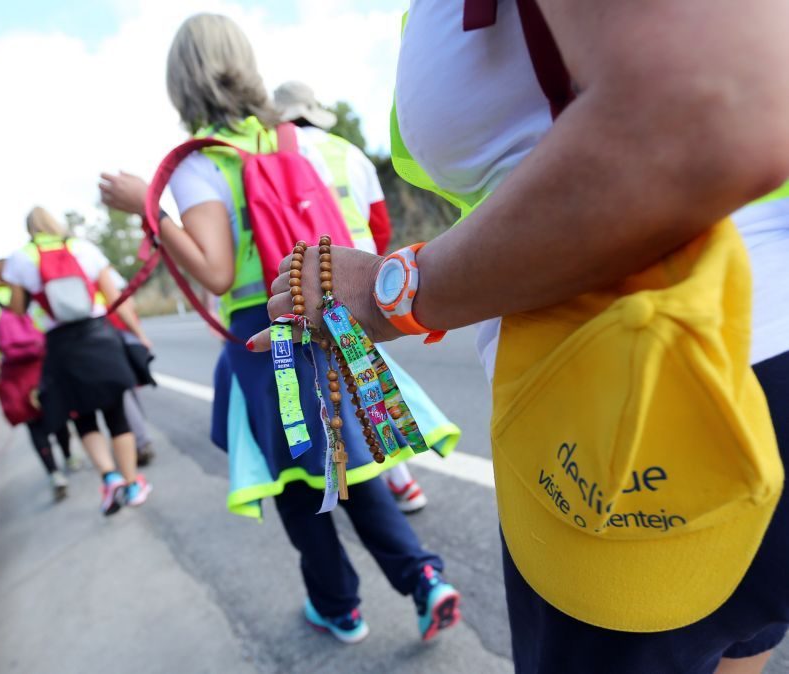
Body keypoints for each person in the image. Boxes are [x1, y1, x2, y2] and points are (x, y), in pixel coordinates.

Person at [255, 1, 789, 672]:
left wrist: (389, 292)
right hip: (713, 366)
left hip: (638, 398)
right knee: (738, 639)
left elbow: (701, 113)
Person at [100, 13, 460, 644]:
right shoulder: (334, 149)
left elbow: (214, 271)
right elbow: (373, 243)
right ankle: (424, 580)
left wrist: (149, 208)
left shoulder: (198, 165)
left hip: (268, 342)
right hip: (344, 323)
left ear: (180, 83)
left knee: (298, 484)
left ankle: (340, 607)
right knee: (359, 467)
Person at [274, 80, 428, 514]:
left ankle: (391, 480)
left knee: (348, 383)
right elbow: (380, 224)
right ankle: (401, 479)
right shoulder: (350, 152)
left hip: (315, 281)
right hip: (364, 275)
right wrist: (373, 273)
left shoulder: (278, 152)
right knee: (370, 376)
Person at [3, 207, 151, 516]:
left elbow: (17, 309)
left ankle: (109, 478)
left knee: (82, 417)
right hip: (99, 336)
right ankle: (132, 483)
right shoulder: (83, 248)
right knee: (116, 415)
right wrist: (138, 333)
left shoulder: (20, 259)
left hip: (60, 346)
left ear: (29, 229)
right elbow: (114, 299)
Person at [0, 259, 77, 501]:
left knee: (33, 422)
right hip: (42, 362)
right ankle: (69, 455)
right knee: (56, 413)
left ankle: (54, 473)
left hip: (15, 370)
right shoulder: (27, 293)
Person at [100, 266, 158, 466]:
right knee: (129, 389)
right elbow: (124, 302)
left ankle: (139, 442)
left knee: (122, 392)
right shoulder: (96, 265)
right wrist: (139, 333)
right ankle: (141, 441)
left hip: (100, 337)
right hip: (120, 332)